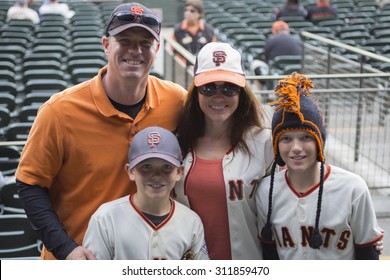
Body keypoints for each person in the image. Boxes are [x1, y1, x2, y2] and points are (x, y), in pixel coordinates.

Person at [15, 2, 187, 260]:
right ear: (106, 45)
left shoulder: (177, 101)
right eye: (125, 40)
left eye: (145, 43)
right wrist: (66, 249)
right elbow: (30, 185)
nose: (135, 50)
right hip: (81, 259)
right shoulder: (59, 111)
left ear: (157, 48)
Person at [256, 72, 384, 260]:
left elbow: (368, 255)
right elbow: (269, 254)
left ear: (319, 142)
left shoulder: (353, 188)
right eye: (286, 139)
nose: (296, 148)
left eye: (306, 137)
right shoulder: (265, 191)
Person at [173, 42, 274, 260]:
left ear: (242, 92)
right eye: (209, 88)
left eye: (229, 88)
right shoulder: (177, 145)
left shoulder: (265, 143)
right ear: (196, 92)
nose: (219, 97)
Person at [83, 126, 209, 260]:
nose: (156, 175)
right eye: (146, 167)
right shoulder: (105, 219)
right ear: (131, 171)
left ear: (179, 172)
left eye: (166, 167)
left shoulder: (191, 222)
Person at [251, 21, 302, 90]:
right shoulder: (297, 40)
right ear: (287, 30)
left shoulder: (271, 40)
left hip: (276, 75)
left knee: (255, 63)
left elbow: (266, 60)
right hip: (296, 73)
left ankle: (264, 96)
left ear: (274, 31)